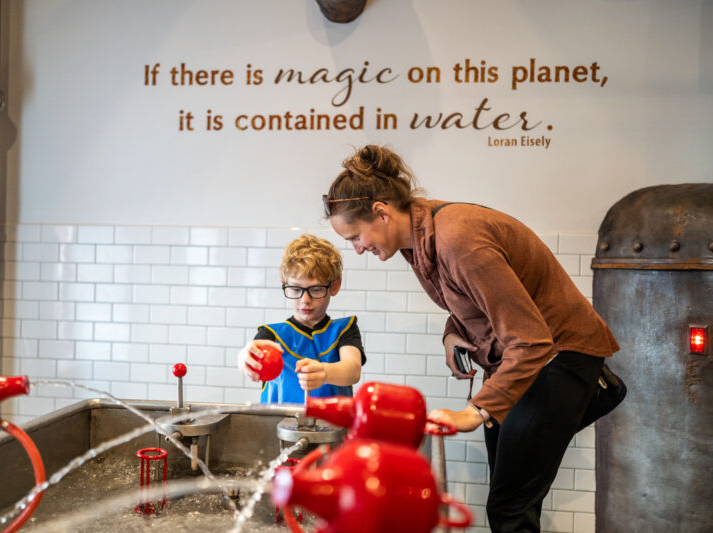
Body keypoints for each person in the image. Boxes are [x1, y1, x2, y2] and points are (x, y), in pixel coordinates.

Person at [323, 145, 625, 533]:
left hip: (556, 357)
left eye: (355, 236)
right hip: (522, 360)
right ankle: (594, 389)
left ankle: (593, 386)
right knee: (506, 488)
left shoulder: (458, 239)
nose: (358, 249)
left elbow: (531, 340)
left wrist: (474, 411)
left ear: (381, 213)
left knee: (510, 508)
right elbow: (471, 299)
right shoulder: (417, 240)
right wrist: (453, 334)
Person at [237, 234, 365, 404]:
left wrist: (325, 372)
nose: (305, 299)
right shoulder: (270, 334)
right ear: (284, 284)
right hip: (278, 428)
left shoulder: (344, 329)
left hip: (332, 428)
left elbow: (352, 370)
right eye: (296, 289)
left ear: (334, 286)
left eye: (317, 289)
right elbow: (251, 355)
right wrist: (244, 357)